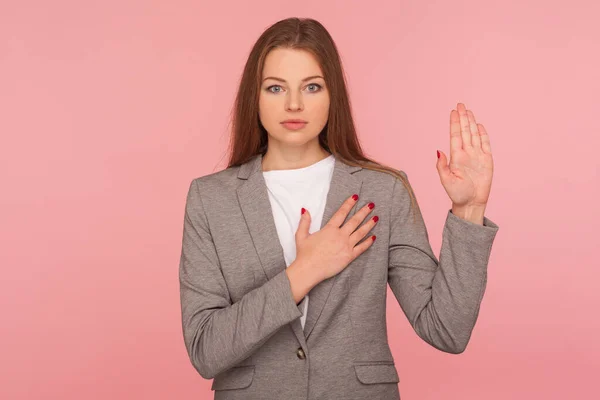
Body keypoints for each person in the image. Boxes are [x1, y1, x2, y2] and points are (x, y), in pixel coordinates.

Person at [179, 17, 499, 400]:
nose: (294, 104)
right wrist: (304, 271)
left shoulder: (383, 190)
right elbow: (205, 350)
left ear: (333, 95)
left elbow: (446, 329)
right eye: (276, 87)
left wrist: (469, 208)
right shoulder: (210, 199)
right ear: (255, 96)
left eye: (311, 87)